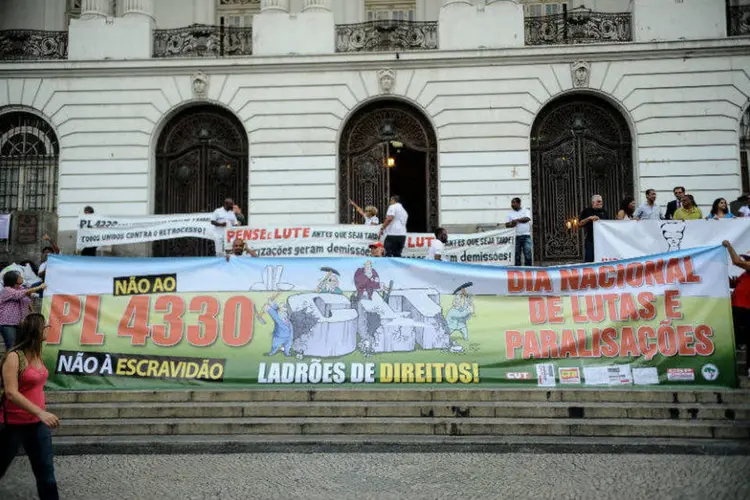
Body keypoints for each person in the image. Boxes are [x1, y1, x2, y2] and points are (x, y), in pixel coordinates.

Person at [0, 313, 60, 499]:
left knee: (47, 475)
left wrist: (39, 413)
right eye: (45, 326)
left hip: (37, 424)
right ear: (36, 330)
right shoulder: (14, 356)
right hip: (13, 425)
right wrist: (41, 412)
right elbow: (11, 392)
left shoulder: (37, 353)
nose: (48, 329)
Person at [723, 240, 750, 378]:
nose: (746, 261)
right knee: (732, 338)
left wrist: (729, 247)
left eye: (748, 259)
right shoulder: (744, 275)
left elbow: (737, 262)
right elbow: (733, 283)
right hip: (737, 308)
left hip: (747, 309)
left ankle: (747, 368)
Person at [0, 272, 46, 350]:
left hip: (20, 323)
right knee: (12, 347)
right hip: (8, 324)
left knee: (20, 346)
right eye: (19, 276)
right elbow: (21, 294)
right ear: (13, 279)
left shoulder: (21, 288)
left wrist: (33, 312)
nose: (22, 277)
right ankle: (9, 361)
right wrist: (39, 287)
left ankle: (18, 361)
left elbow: (27, 301)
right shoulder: (7, 290)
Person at [578, 194, 609, 263]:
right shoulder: (587, 211)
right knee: (589, 261)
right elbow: (579, 224)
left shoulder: (604, 212)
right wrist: (589, 218)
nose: (600, 203)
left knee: (601, 261)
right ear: (593, 203)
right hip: (590, 241)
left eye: (601, 201)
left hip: (602, 241)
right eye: (598, 201)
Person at [505, 198, 532, 266]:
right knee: (516, 255)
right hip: (516, 236)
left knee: (528, 253)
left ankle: (528, 270)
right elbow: (507, 224)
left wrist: (516, 220)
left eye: (514, 203)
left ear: (519, 203)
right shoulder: (510, 213)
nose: (512, 204)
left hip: (526, 236)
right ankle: (518, 270)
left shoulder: (525, 210)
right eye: (512, 203)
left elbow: (527, 218)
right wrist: (511, 224)